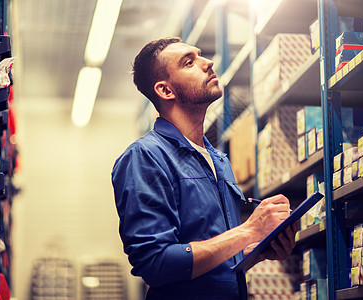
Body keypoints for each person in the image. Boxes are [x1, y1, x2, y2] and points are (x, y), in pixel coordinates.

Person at [112, 37, 297, 300]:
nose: (207, 62)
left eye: (200, 55)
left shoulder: (218, 160)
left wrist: (255, 249)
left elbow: (211, 263)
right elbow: (156, 264)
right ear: (166, 91)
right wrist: (249, 230)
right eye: (189, 62)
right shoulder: (145, 157)